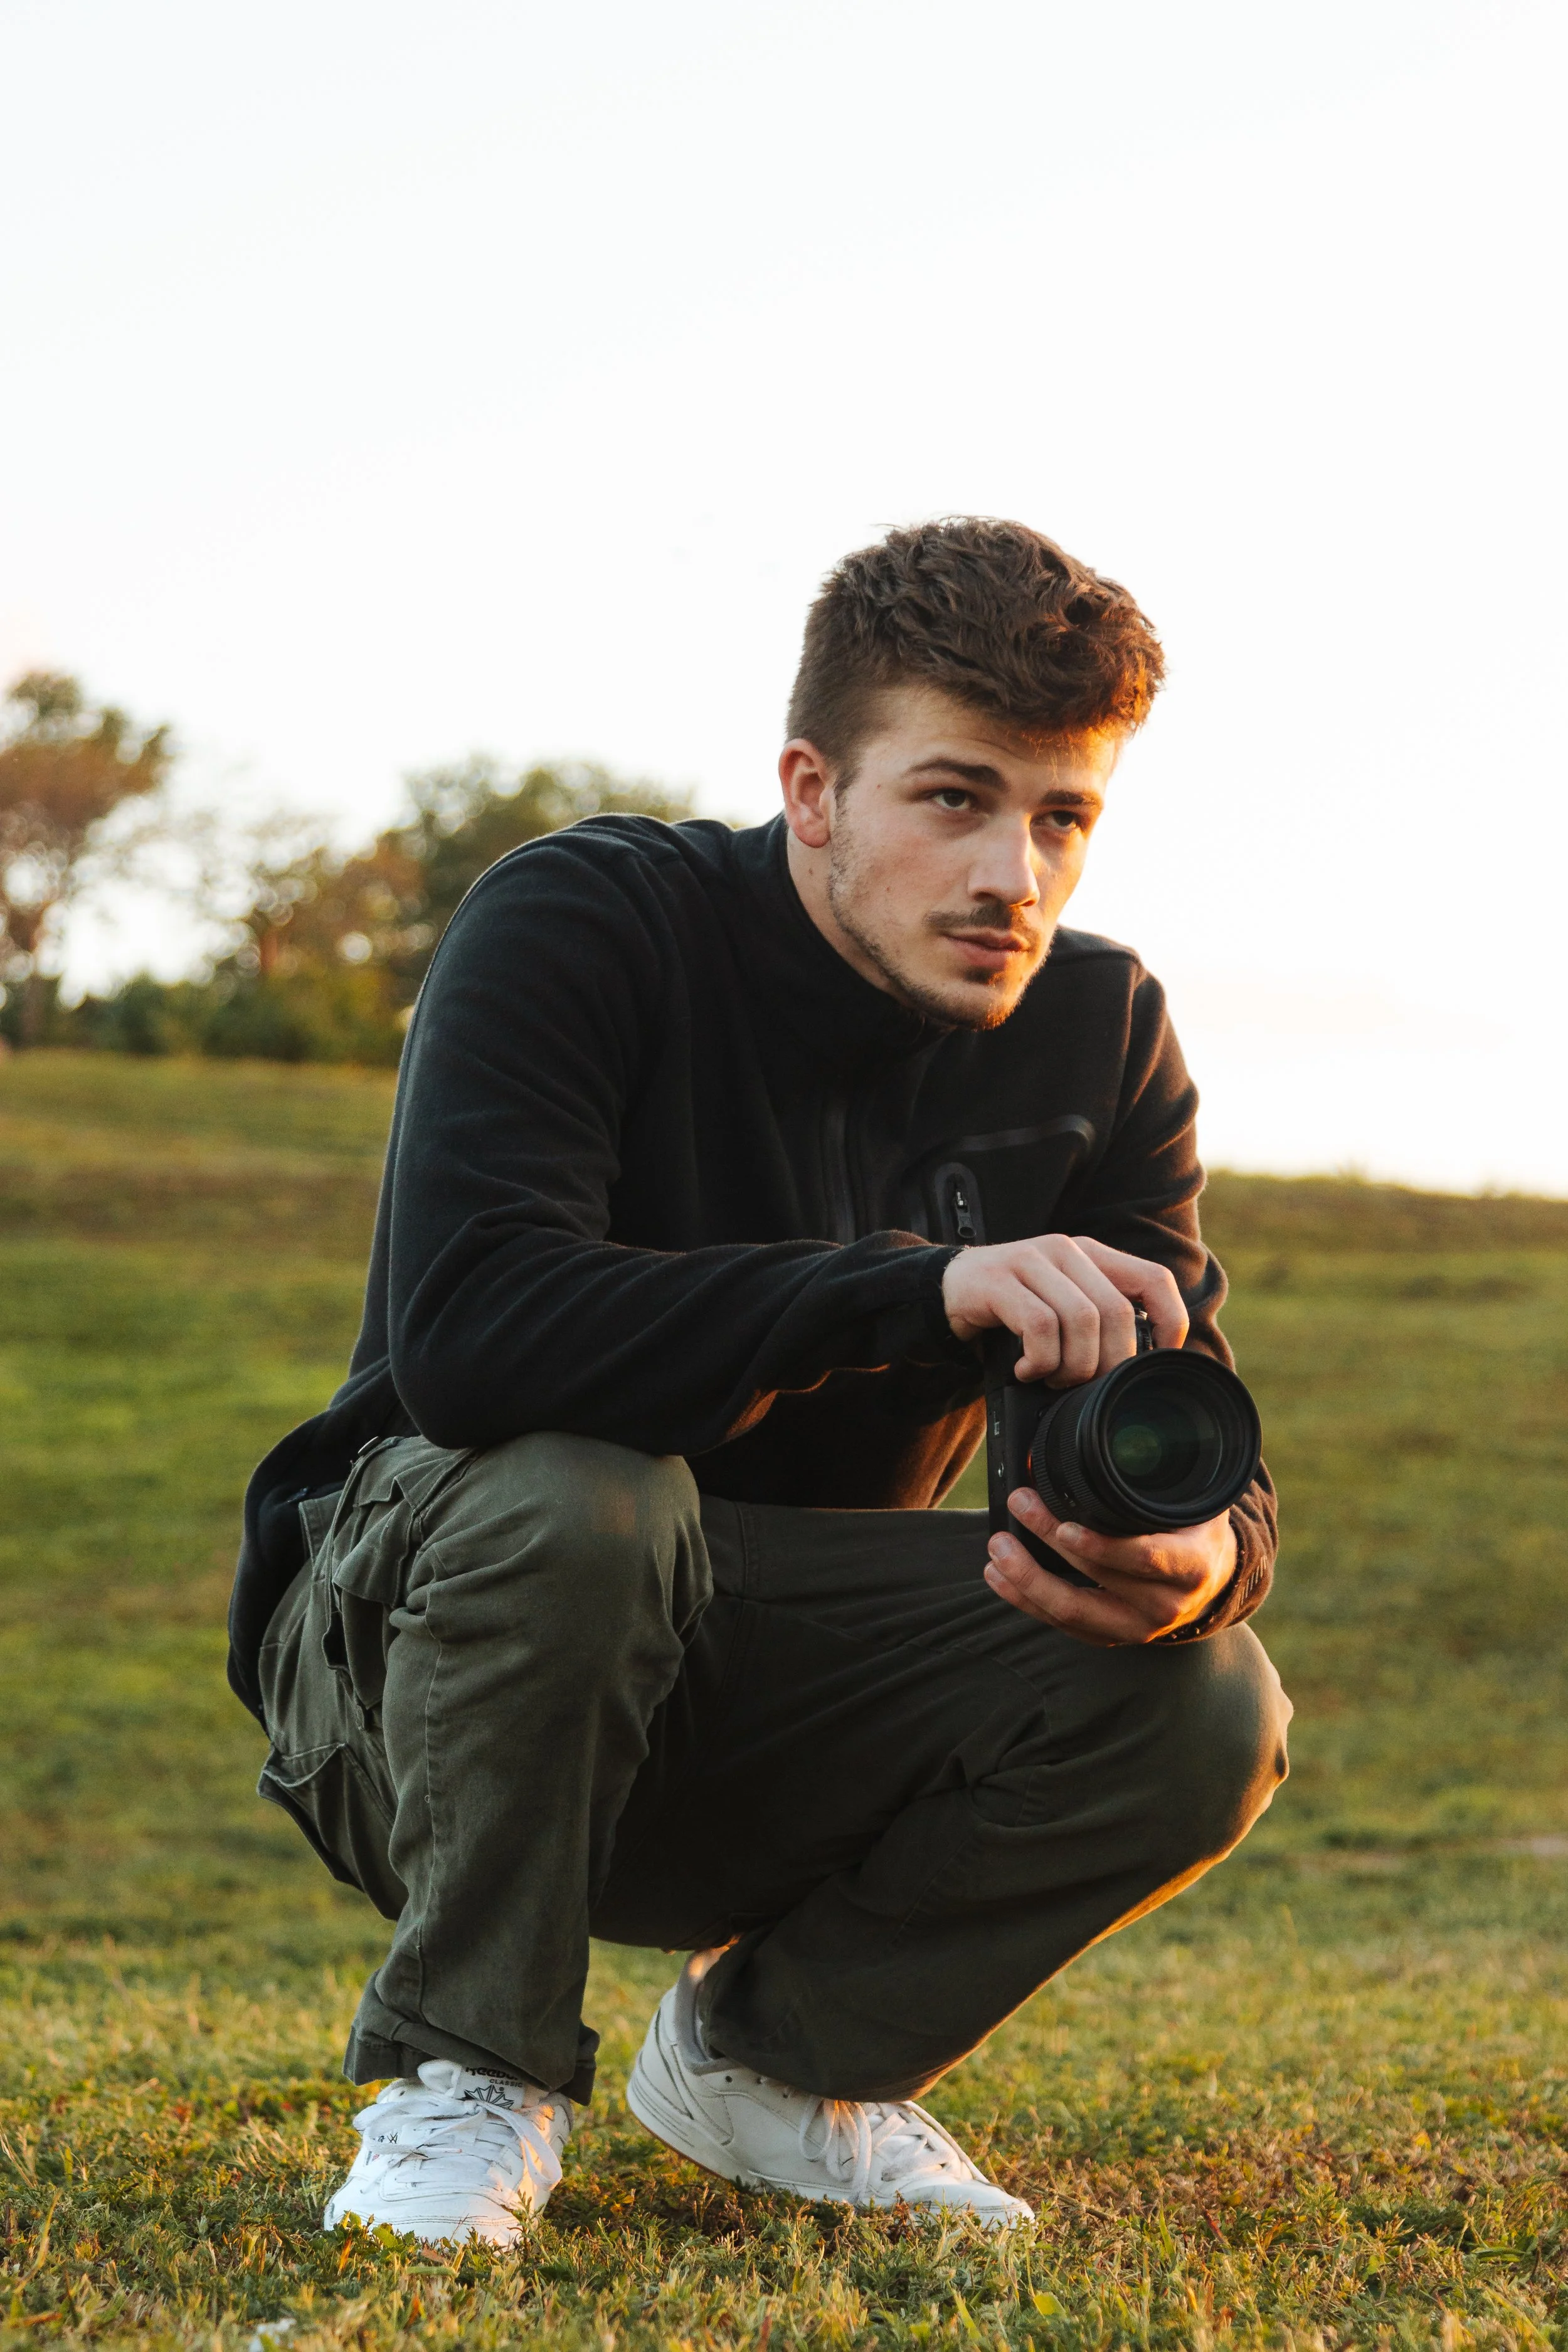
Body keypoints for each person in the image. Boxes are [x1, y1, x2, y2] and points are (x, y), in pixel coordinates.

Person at [228, 517, 1290, 2242]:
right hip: (413, 1667)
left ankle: (776, 2064)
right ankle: (467, 2072)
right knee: (587, 1492)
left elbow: (1197, 1447)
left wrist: (1188, 1562)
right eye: (953, 798)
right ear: (810, 788)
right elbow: (476, 1331)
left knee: (1209, 1696)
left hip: (759, 1692)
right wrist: (914, 1290)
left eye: (1060, 815)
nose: (1011, 873)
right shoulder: (586, 921)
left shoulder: (1099, 1035)